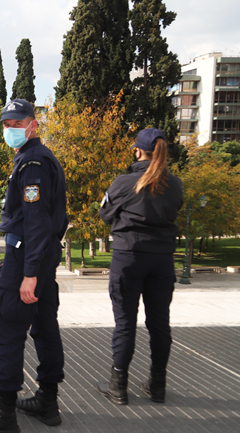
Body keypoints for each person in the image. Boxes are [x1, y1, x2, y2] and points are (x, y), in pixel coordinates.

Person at [0, 100, 68, 432]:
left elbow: (36, 221)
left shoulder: (32, 163)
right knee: (45, 327)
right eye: (6, 125)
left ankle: (3, 411)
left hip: (26, 258)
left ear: (33, 125)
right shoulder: (37, 158)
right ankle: (48, 403)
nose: (10, 130)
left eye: (16, 124)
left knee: (9, 331)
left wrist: (30, 274)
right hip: (42, 256)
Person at [95, 128, 183, 405]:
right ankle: (158, 385)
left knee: (125, 323)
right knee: (159, 324)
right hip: (162, 261)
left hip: (129, 257)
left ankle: (118, 385)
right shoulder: (175, 185)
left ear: (137, 151)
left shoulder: (124, 183)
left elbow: (105, 213)